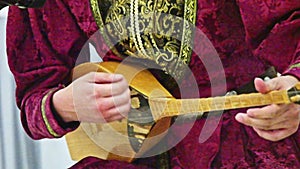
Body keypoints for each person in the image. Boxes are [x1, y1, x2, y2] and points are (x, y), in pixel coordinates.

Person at [6, 0, 300, 168]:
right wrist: (68, 104)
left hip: (251, 137)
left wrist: (294, 91)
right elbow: (35, 98)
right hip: (141, 148)